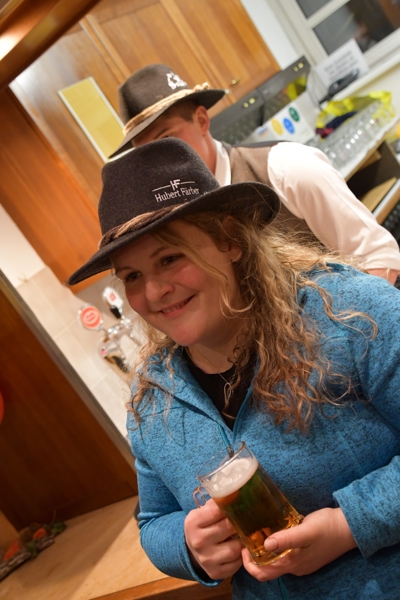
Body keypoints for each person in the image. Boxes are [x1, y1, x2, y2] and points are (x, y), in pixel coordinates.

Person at [69, 138, 400, 599]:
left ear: (230, 239)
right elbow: (154, 522)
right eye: (133, 276)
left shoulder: (349, 313)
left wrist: (348, 525)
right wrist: (188, 546)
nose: (155, 292)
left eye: (169, 258)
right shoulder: (154, 398)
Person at [110, 63, 400, 285]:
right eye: (146, 153)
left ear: (201, 120)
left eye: (166, 140)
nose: (159, 161)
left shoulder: (287, 167)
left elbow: (379, 258)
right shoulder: (177, 221)